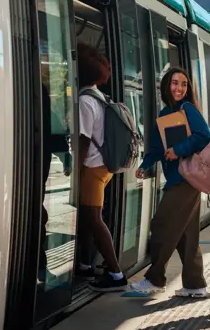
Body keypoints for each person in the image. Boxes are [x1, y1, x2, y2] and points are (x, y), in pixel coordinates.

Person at [130, 67, 210, 297]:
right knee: (186, 234)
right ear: (167, 86)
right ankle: (196, 285)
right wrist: (145, 165)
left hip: (186, 178)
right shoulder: (165, 114)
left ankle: (155, 279)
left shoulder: (188, 109)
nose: (179, 88)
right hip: (180, 178)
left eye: (184, 84)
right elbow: (156, 147)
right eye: (175, 83)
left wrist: (178, 149)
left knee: (161, 225)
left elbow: (203, 135)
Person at [76, 43, 128, 292]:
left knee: (94, 219)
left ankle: (116, 273)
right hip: (103, 167)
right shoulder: (98, 96)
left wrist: (75, 171)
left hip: (92, 168)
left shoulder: (85, 101)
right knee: (88, 216)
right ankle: (85, 264)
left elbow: (83, 139)